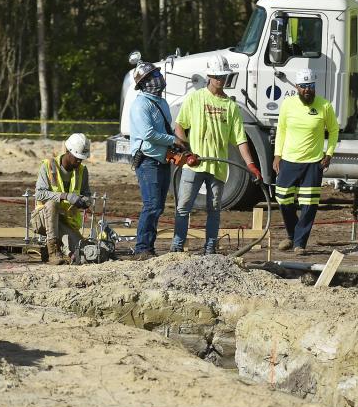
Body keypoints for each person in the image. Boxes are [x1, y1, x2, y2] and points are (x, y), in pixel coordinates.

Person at [170, 55, 261, 254]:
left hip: (218, 167)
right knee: (183, 207)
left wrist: (251, 164)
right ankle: (177, 248)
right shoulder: (195, 98)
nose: (221, 80)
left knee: (214, 210)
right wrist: (187, 152)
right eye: (218, 76)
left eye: (224, 76)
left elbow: (240, 140)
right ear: (210, 75)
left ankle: (210, 249)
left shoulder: (230, 107)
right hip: (194, 164)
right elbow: (180, 126)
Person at [272, 68, 338, 254]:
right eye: (303, 87)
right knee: (283, 198)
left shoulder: (324, 106)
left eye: (310, 86)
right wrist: (277, 155)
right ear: (297, 87)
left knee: (309, 204)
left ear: (314, 87)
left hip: (313, 163)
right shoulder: (288, 104)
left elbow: (333, 131)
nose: (307, 90)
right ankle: (292, 235)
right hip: (289, 160)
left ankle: (300, 243)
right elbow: (281, 130)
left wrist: (329, 154)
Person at [129, 61, 187, 260]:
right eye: (153, 76)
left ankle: (149, 248)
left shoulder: (161, 102)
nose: (158, 80)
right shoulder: (140, 104)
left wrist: (176, 146)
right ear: (144, 83)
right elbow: (148, 133)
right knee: (151, 205)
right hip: (147, 160)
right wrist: (173, 139)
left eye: (157, 75)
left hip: (161, 159)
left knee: (158, 206)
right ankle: (141, 248)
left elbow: (164, 129)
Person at [31, 134, 93, 265]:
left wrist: (85, 201)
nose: (79, 162)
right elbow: (39, 194)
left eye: (82, 159)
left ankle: (57, 251)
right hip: (42, 218)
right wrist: (64, 196)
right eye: (77, 158)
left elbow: (87, 194)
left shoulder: (82, 171)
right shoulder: (48, 166)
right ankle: (53, 251)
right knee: (52, 204)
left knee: (83, 251)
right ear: (68, 151)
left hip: (65, 222)